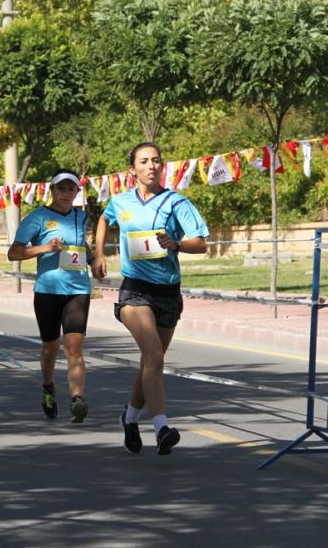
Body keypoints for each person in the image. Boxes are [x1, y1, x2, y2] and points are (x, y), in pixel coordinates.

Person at [92, 142, 209, 455]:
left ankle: (130, 418)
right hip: (135, 289)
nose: (151, 166)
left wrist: (177, 244)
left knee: (150, 361)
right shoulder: (120, 201)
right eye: (144, 161)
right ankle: (161, 428)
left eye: (156, 160)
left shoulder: (177, 201)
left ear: (162, 166)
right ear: (133, 170)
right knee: (154, 355)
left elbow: (201, 243)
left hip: (168, 292)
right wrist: (99, 253)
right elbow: (104, 219)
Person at [8, 169, 93, 423]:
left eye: (71, 189)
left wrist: (96, 258)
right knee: (50, 347)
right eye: (61, 189)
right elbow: (14, 253)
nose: (66, 194)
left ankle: (77, 399)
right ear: (52, 190)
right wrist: (45, 248)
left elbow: (81, 245)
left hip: (78, 289)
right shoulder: (37, 218)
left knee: (74, 348)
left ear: (77, 192)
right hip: (48, 291)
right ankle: (48, 387)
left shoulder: (81, 216)